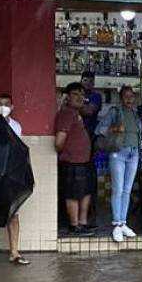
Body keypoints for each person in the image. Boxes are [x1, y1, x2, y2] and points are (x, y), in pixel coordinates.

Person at [0, 93, 30, 266]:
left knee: (13, 213)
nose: (3, 107)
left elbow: (18, 151)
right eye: (0, 104)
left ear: (12, 107)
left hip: (9, 174)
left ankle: (14, 252)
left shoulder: (17, 127)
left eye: (6, 104)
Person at [103, 86, 142, 243]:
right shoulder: (114, 112)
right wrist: (115, 128)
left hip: (134, 153)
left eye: (131, 96)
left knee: (127, 190)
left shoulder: (137, 114)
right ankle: (116, 224)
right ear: (120, 98)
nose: (129, 99)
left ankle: (123, 223)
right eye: (126, 96)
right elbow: (99, 129)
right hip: (118, 153)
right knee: (118, 189)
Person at [55, 82, 95, 235]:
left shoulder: (77, 113)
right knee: (73, 194)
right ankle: (74, 225)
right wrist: (67, 153)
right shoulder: (66, 113)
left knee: (85, 192)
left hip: (83, 161)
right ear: (67, 97)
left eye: (82, 94)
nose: (80, 97)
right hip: (72, 162)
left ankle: (82, 223)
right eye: (75, 94)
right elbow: (59, 141)